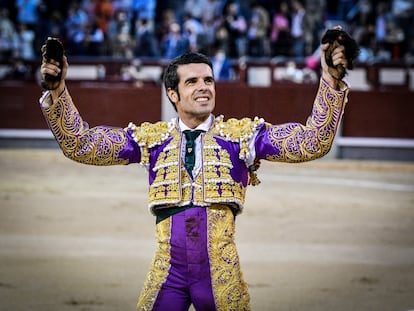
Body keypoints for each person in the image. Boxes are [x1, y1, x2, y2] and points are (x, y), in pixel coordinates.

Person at [39, 31, 350, 311]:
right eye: (192, 82)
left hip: (220, 273)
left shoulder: (241, 136)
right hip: (167, 273)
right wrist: (58, 90)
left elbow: (312, 141)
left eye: (208, 81)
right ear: (172, 94)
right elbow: (81, 145)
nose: (204, 88)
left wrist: (330, 80)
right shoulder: (152, 140)